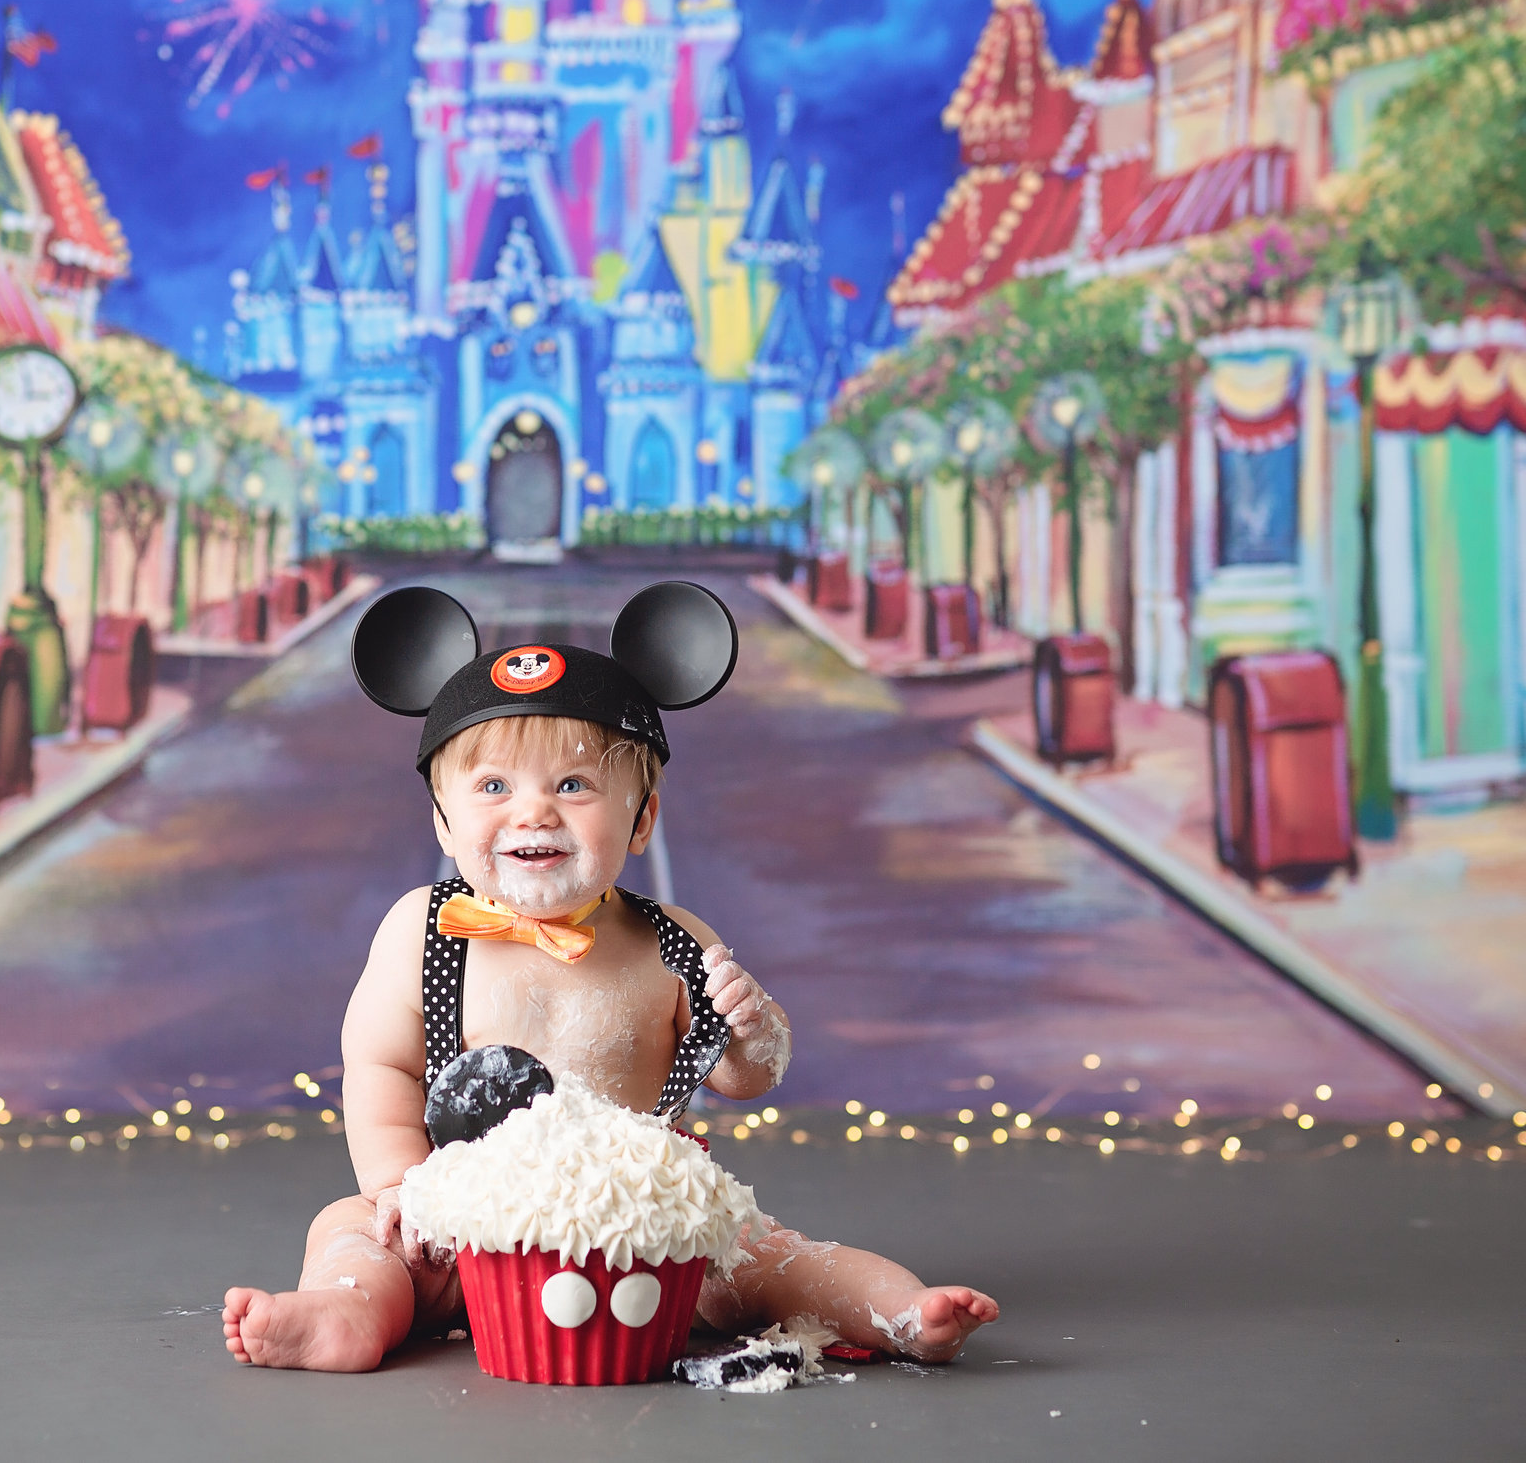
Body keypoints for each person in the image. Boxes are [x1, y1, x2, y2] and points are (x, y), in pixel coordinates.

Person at [223, 584, 999, 1373]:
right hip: (464, 1233)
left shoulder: (673, 940)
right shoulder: (420, 930)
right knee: (349, 1229)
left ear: (642, 819)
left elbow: (744, 1074)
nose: (534, 813)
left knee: (776, 1257)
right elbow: (382, 1064)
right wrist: (400, 1187)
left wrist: (751, 1027)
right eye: (494, 787)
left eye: (573, 785)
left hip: (641, 1233)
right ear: (442, 820)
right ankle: (347, 1310)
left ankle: (897, 1309)